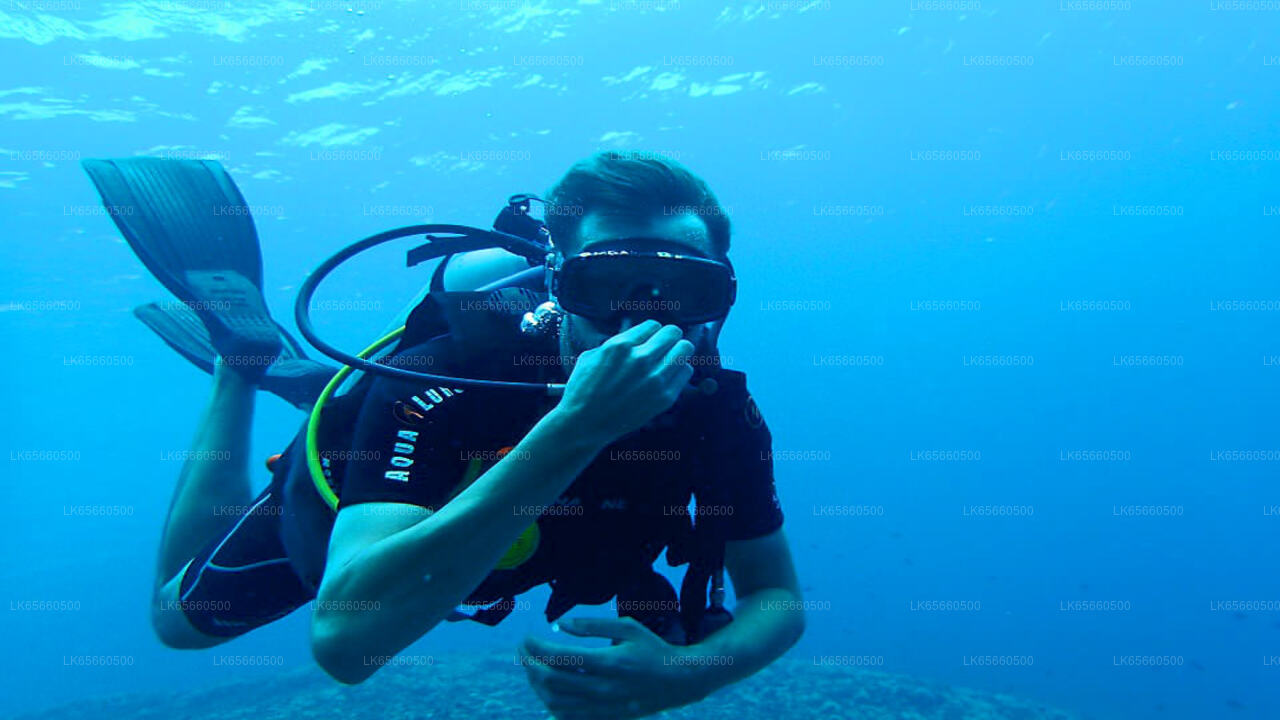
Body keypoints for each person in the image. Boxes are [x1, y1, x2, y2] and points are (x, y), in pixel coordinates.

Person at [85, 151, 805, 718]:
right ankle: (238, 367)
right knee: (173, 622)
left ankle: (277, 369)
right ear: (558, 284)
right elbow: (345, 643)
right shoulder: (446, 376)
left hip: (483, 531)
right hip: (357, 481)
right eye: (604, 286)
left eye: (682, 291)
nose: (641, 321)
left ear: (719, 299)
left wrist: (688, 675)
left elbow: (776, 597)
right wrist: (578, 428)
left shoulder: (716, 413)